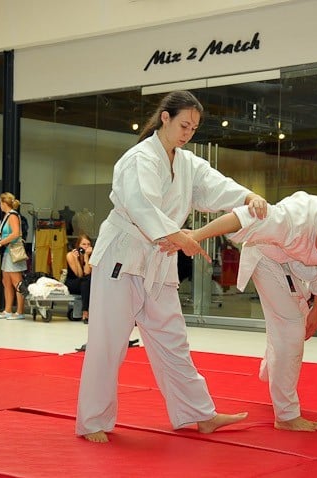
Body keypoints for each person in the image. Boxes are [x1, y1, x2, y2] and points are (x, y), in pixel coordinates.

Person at [75, 90, 268, 443]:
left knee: (173, 341)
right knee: (108, 344)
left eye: (193, 128)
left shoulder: (188, 163)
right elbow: (139, 204)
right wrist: (178, 237)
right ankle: (93, 422)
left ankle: (198, 413)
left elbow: (216, 185)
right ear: (164, 118)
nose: (187, 133)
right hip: (123, 258)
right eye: (183, 124)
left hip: (159, 262)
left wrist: (247, 196)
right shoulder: (139, 159)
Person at [184, 191, 317, 431]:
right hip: (266, 256)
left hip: (295, 266)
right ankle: (286, 415)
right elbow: (242, 219)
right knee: (290, 331)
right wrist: (195, 235)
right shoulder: (292, 219)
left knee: (294, 327)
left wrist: (316, 312)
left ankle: (273, 369)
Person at [0, 192, 27, 320]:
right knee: (6, 281)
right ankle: (8, 309)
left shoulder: (13, 216)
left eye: (0, 202)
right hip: (7, 252)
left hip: (13, 252)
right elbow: (1, 232)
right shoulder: (6, 216)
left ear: (4, 203)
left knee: (17, 282)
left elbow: (15, 234)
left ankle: (20, 311)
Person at [66, 233, 93, 324]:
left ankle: (86, 312)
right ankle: (85, 312)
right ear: (78, 246)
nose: (86, 247)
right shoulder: (70, 255)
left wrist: (86, 257)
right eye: (84, 244)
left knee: (88, 280)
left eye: (88, 244)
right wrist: (76, 259)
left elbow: (87, 272)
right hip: (72, 283)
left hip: (84, 284)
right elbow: (79, 274)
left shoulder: (91, 257)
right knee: (86, 280)